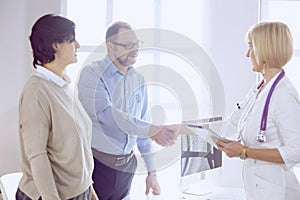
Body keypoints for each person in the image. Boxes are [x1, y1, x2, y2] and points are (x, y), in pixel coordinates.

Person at [77, 21, 186, 200]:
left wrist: (152, 172)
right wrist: (153, 129)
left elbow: (141, 124)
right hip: (99, 166)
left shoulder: (138, 80)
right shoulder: (92, 74)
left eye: (137, 44)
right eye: (128, 45)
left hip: (127, 168)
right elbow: (107, 115)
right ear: (110, 46)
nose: (135, 49)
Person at [16, 14, 98, 200]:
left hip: (79, 192)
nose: (77, 45)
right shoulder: (37, 91)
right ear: (55, 45)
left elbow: (78, 147)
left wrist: (89, 190)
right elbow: (37, 156)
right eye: (72, 40)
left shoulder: (64, 86)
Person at [216, 21, 300, 199]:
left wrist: (244, 152)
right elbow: (233, 123)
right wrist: (190, 130)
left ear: (264, 49)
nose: (247, 54)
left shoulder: (284, 95)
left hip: (279, 192)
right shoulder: (259, 88)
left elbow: (295, 151)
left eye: (250, 47)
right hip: (259, 190)